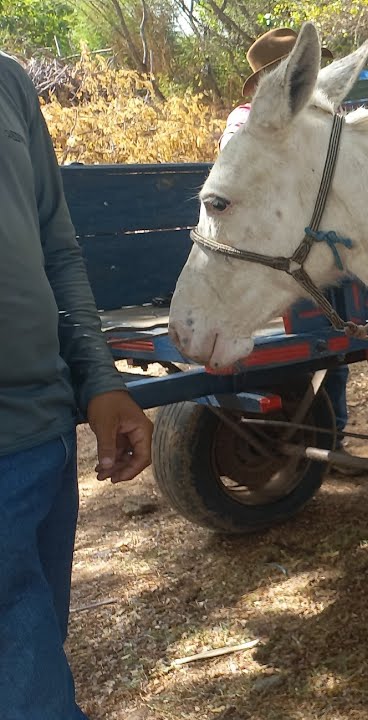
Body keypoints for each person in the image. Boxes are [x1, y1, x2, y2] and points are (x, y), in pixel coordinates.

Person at [0, 50, 154, 718]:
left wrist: (98, 380)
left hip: (36, 445)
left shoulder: (7, 81)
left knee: (32, 664)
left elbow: (54, 246)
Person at [220, 29, 358, 468]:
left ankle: (332, 427)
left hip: (304, 249)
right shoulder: (246, 126)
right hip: (272, 258)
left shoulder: (312, 120)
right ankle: (326, 431)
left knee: (336, 339)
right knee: (323, 342)